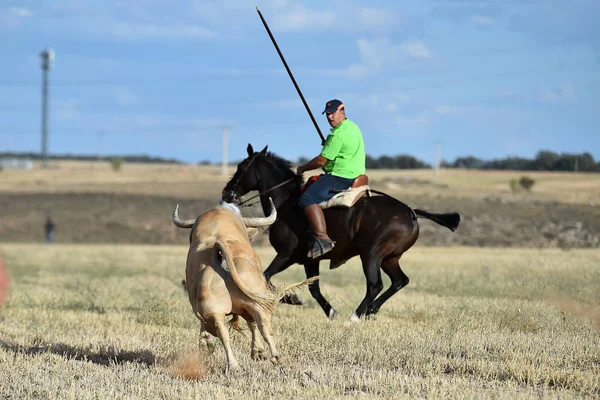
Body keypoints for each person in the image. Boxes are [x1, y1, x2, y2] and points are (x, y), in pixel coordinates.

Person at [296, 99, 366, 258]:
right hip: (355, 175)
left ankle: (323, 238)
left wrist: (302, 168)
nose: (329, 117)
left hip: (340, 177)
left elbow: (321, 161)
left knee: (306, 199)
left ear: (342, 112)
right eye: (327, 114)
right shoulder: (352, 127)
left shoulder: (338, 134)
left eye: (333, 113)